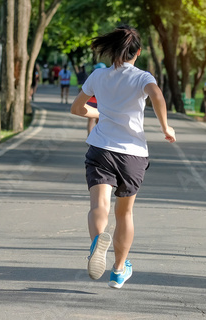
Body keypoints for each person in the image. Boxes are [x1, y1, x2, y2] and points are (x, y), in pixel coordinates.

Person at [70, 25, 176, 289]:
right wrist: (165, 127)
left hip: (101, 149)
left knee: (99, 207)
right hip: (133, 155)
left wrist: (98, 114)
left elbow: (77, 108)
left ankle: (97, 242)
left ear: (112, 52)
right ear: (137, 52)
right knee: (124, 214)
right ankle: (118, 271)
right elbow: (157, 95)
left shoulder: (98, 77)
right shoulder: (142, 77)